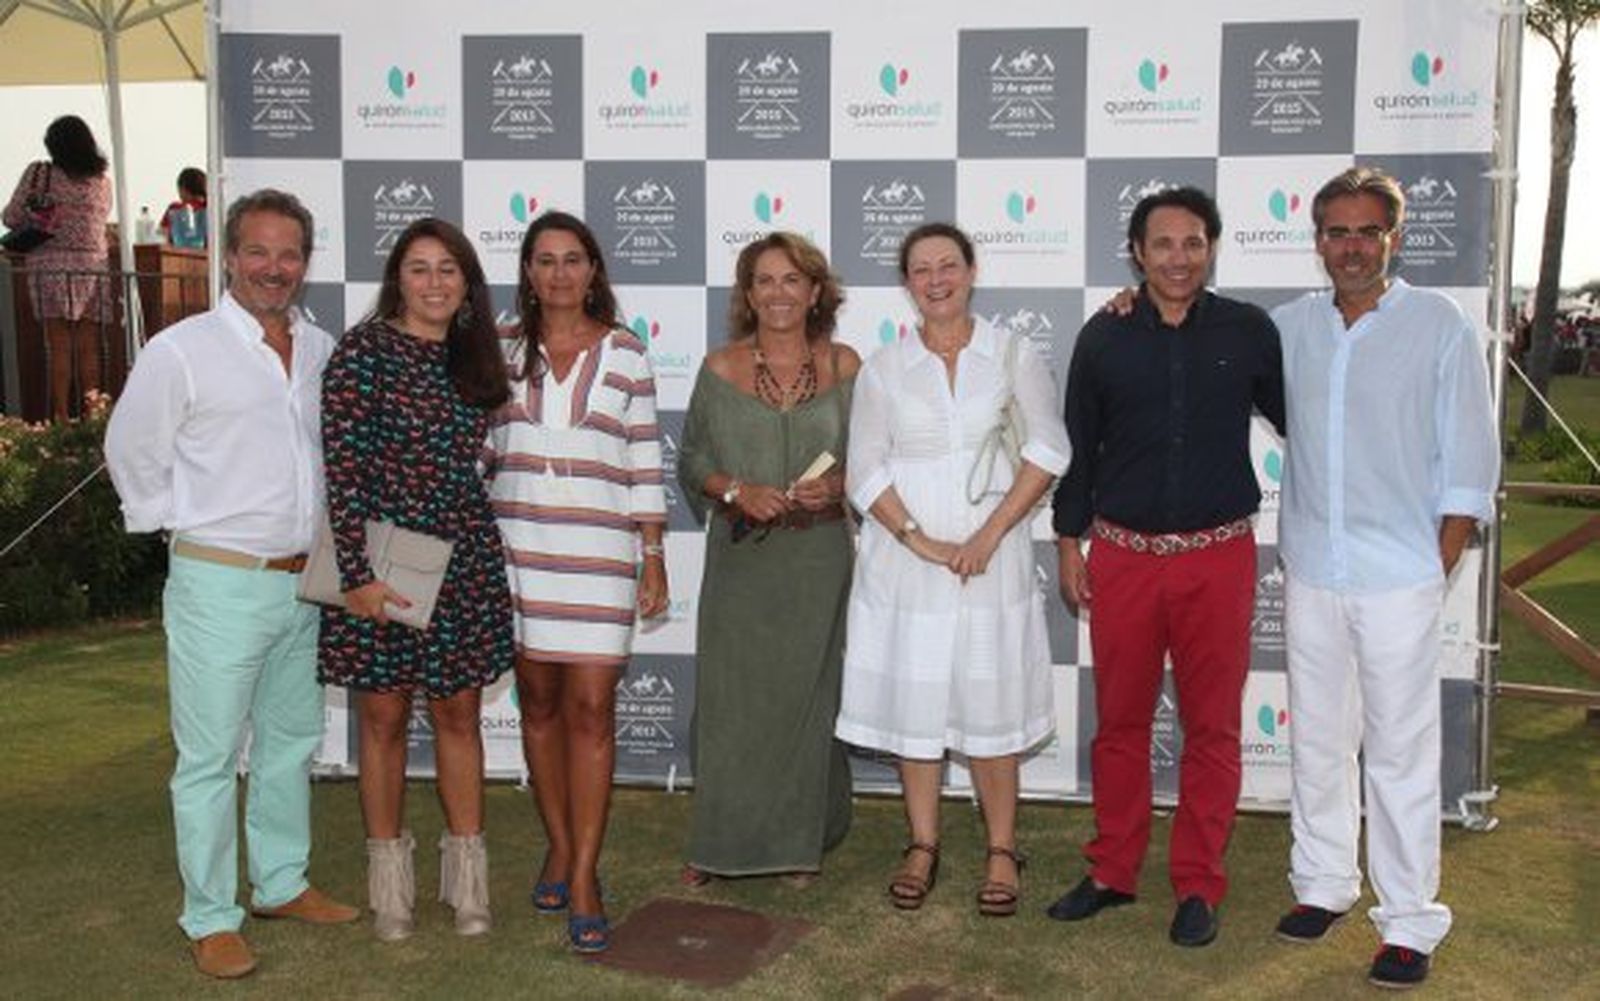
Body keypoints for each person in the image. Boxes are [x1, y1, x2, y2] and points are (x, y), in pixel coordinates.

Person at [104, 189, 359, 980]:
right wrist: (181, 524)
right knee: (210, 757)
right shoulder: (182, 350)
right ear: (229, 254)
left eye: (289, 254)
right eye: (258, 251)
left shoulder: (320, 348)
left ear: (305, 263)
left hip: (301, 583)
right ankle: (211, 914)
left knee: (288, 745)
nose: (274, 268)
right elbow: (131, 446)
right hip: (219, 582)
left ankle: (280, 881)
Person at [1268, 167, 1497, 989]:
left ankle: (1408, 919)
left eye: (1368, 231)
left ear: (1392, 238)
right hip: (1314, 570)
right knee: (1319, 740)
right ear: (1318, 239)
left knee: (1400, 750)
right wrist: (1129, 306)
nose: (1352, 247)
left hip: (1400, 571)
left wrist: (1437, 557)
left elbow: (1470, 450)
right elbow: (1202, 352)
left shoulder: (1437, 324)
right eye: (1337, 231)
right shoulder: (1288, 327)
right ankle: (1324, 882)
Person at [1047, 187, 1285, 947]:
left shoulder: (1250, 331)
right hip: (1124, 557)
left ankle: (1198, 884)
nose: (1178, 258)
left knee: (1212, 728)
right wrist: (1067, 541)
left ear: (1211, 247)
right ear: (1138, 253)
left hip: (1218, 557)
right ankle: (1114, 869)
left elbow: (1301, 422)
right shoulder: (1105, 335)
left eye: (1192, 243)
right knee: (1119, 723)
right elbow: (1080, 446)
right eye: (1163, 245)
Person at [835, 222, 1070, 918]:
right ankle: (923, 842)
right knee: (917, 702)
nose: (935, 279)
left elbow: (1051, 449)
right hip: (907, 563)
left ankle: (1002, 847)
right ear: (907, 284)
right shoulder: (884, 366)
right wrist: (919, 539)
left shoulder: (1013, 353)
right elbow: (864, 468)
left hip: (990, 561)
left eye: (948, 265)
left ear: (971, 271)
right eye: (920, 269)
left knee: (991, 699)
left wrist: (989, 536)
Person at [317, 218, 514, 942]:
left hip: (462, 561)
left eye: (448, 270)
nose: (434, 282)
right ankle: (389, 889)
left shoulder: (477, 355)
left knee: (459, 716)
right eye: (420, 268)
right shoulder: (362, 351)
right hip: (382, 560)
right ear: (398, 278)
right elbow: (342, 471)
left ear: (466, 285)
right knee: (383, 719)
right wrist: (357, 576)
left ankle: (468, 887)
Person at [483, 210, 668, 954]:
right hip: (517, 547)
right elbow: (476, 450)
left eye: (573, 259)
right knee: (539, 704)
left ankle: (585, 874)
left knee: (591, 708)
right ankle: (558, 843)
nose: (559, 272)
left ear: (593, 271)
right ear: (527, 271)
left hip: (598, 553)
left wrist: (652, 552)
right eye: (545, 260)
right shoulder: (494, 347)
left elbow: (645, 459)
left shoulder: (626, 353)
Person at [677, 232, 858, 888]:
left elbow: (872, 460)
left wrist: (837, 487)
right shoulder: (719, 367)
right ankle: (717, 841)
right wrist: (734, 489)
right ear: (747, 294)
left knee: (807, 697)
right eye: (765, 280)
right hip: (740, 559)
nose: (778, 292)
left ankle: (797, 838)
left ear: (815, 292)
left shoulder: (845, 366)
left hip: (818, 558)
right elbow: (690, 459)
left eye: (792, 280)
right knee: (732, 699)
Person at [3, 115, 113, 421]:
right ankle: (95, 413)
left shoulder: (41, 173)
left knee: (59, 345)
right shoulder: (102, 181)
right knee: (90, 345)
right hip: (93, 266)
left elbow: (11, 217)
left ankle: (61, 415)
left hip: (50, 264)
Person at [161, 167, 208, 249]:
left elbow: (162, 234)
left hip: (179, 256)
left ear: (182, 188)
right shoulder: (212, 208)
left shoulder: (175, 209)